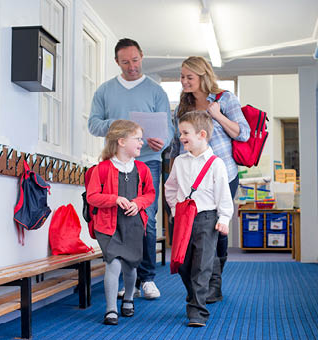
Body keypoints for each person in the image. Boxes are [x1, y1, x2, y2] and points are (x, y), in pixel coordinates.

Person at [88, 38, 174, 299]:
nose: (132, 66)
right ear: (117, 62)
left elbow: (168, 130)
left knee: (145, 221)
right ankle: (129, 278)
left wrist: (163, 141)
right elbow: (93, 125)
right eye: (125, 62)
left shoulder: (156, 91)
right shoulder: (104, 91)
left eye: (135, 60)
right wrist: (119, 126)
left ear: (142, 56)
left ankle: (146, 279)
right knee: (119, 221)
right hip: (115, 163)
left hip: (148, 161)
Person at [170, 56, 250, 303]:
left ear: (203, 77)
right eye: (182, 77)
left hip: (222, 170)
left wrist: (217, 116)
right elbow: (177, 142)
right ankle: (201, 283)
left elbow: (243, 134)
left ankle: (213, 281)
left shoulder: (224, 99)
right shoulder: (182, 107)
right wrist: (173, 170)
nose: (184, 81)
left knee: (218, 230)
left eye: (189, 77)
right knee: (194, 234)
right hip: (191, 179)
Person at [164, 111, 233, 327]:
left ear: (201, 134)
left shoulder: (215, 163)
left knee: (202, 265)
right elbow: (170, 188)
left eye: (185, 133)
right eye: (180, 132)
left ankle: (197, 311)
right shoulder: (179, 161)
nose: (181, 137)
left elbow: (223, 193)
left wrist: (224, 218)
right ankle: (195, 293)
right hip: (183, 218)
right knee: (183, 263)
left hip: (207, 218)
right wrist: (175, 211)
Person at [86, 120, 156, 325]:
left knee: (131, 266)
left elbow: (150, 194)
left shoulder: (142, 169)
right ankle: (110, 310)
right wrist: (114, 199)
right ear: (122, 141)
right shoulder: (102, 169)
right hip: (108, 226)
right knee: (113, 263)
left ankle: (128, 298)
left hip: (133, 225)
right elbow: (92, 196)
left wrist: (139, 203)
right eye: (138, 139)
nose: (142, 143)